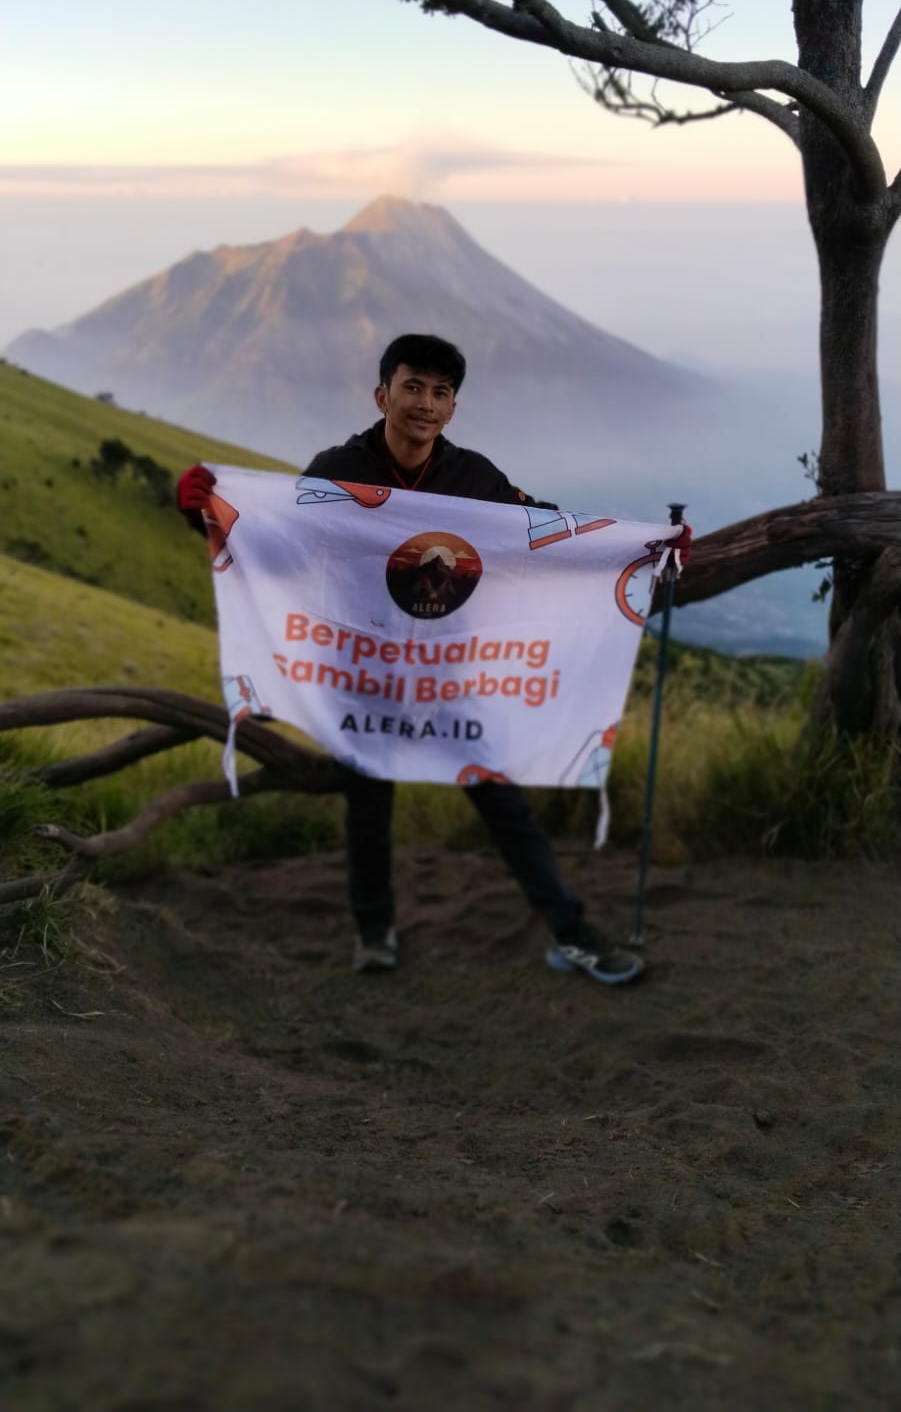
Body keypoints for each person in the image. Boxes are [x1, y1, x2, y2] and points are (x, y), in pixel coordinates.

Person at [177, 332, 691, 986]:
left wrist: (648, 549)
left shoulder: (474, 477)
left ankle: (570, 929)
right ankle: (373, 931)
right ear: (382, 393)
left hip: (452, 677)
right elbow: (278, 550)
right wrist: (203, 511)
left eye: (440, 392)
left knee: (503, 803)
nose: (425, 403)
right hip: (363, 674)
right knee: (367, 804)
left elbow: (544, 540)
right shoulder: (338, 468)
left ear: (452, 408)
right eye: (412, 386)